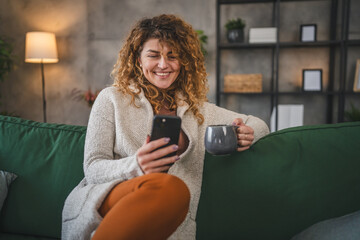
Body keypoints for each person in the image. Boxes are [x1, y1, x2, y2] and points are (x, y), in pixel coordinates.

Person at [61, 14, 269, 240]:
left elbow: (258, 124)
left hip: (167, 215)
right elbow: (92, 168)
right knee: (170, 188)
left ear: (184, 61)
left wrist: (242, 134)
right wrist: (136, 166)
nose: (163, 64)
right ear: (138, 59)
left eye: (173, 56)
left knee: (172, 191)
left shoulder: (198, 110)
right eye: (153, 55)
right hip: (109, 198)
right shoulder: (111, 99)